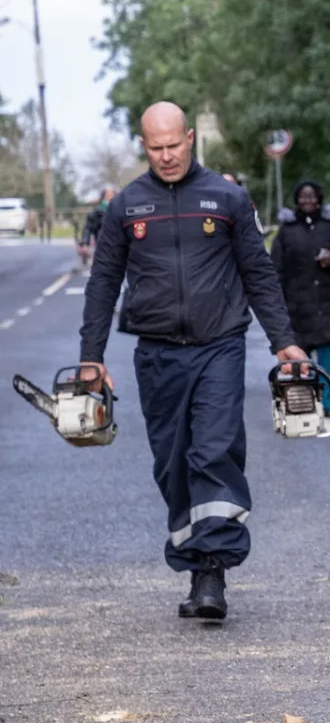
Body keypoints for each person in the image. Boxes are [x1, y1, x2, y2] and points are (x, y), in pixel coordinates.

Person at [78, 102, 306, 622]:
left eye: (173, 145)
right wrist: (91, 356)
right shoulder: (127, 207)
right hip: (156, 355)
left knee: (213, 451)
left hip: (219, 348)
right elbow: (102, 284)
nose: (166, 156)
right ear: (144, 146)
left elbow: (259, 274)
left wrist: (284, 341)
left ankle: (212, 572)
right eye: (155, 148)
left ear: (189, 138)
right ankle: (194, 559)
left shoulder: (227, 198)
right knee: (173, 464)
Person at [271, 180, 330, 410]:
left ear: (319, 198)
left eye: (312, 196)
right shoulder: (286, 231)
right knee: (299, 363)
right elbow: (275, 269)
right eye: (303, 197)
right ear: (297, 200)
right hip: (297, 307)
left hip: (329, 306)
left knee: (329, 361)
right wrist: (277, 305)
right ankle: (302, 406)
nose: (308, 201)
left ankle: (329, 406)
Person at [76, 185, 114, 269]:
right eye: (109, 194)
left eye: (112, 194)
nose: (111, 196)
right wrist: (85, 243)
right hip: (102, 245)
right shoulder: (97, 211)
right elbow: (88, 228)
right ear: (104, 196)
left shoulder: (118, 209)